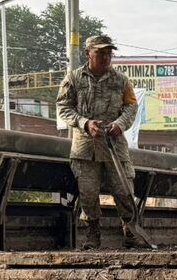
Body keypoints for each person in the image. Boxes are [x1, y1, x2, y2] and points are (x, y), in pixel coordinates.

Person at [56, 34, 153, 250]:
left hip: (114, 146)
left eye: (109, 53)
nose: (106, 57)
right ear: (88, 53)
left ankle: (131, 233)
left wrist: (120, 124)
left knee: (124, 189)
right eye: (100, 53)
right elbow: (63, 107)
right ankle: (93, 235)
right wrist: (85, 123)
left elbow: (131, 106)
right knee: (88, 193)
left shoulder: (121, 80)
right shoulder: (73, 79)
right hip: (86, 147)